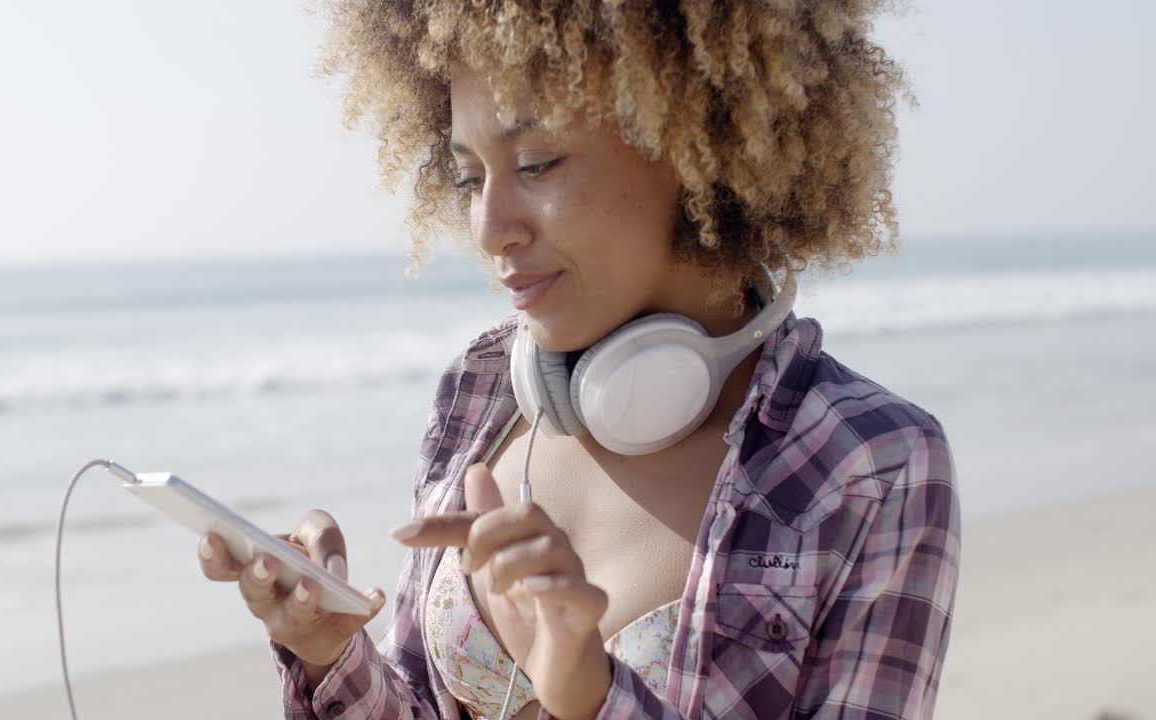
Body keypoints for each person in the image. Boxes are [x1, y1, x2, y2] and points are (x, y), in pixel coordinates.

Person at [198, 2, 961, 718]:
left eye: (537, 163)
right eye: (468, 176)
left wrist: (591, 696)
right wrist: (329, 648)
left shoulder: (871, 466)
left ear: (698, 140)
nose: (491, 228)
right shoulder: (481, 391)